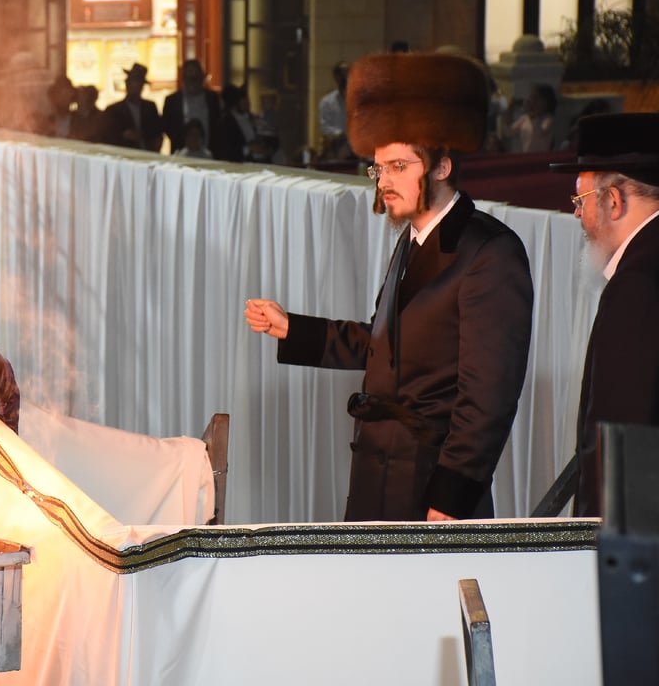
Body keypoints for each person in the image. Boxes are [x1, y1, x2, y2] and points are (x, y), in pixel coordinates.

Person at [244, 52, 534, 521]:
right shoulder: (412, 239)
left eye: (399, 166)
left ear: (441, 166)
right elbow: (384, 347)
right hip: (377, 472)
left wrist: (451, 496)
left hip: (431, 485)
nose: (384, 182)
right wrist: (293, 329)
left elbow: (489, 396)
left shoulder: (490, 251)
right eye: (378, 169)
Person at [550, 112, 659, 517]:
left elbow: (622, 436)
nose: (577, 215)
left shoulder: (638, 284)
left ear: (613, 201)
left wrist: (595, 540)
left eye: (580, 201)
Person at [161, 59, 223, 153]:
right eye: (190, 73)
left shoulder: (212, 98)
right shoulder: (172, 101)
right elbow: (167, 126)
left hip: (209, 153)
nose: (193, 76)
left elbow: (218, 123)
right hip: (181, 153)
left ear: (202, 77)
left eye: (196, 73)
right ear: (184, 77)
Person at [100, 64, 163, 152]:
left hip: (147, 155)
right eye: (132, 83)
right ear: (127, 84)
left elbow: (157, 132)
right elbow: (106, 136)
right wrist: (123, 135)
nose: (135, 87)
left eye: (138, 83)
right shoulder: (114, 110)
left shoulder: (150, 107)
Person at [505, 83, 557, 153]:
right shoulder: (525, 119)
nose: (533, 102)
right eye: (532, 98)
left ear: (546, 102)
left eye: (537, 98)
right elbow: (509, 132)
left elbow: (539, 131)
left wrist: (531, 114)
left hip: (541, 158)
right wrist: (510, 108)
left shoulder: (548, 119)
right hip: (526, 157)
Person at [317, 60, 352, 160]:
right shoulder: (327, 102)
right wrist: (340, 135)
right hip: (336, 149)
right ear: (336, 77)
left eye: (348, 73)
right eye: (342, 73)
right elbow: (325, 126)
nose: (345, 77)